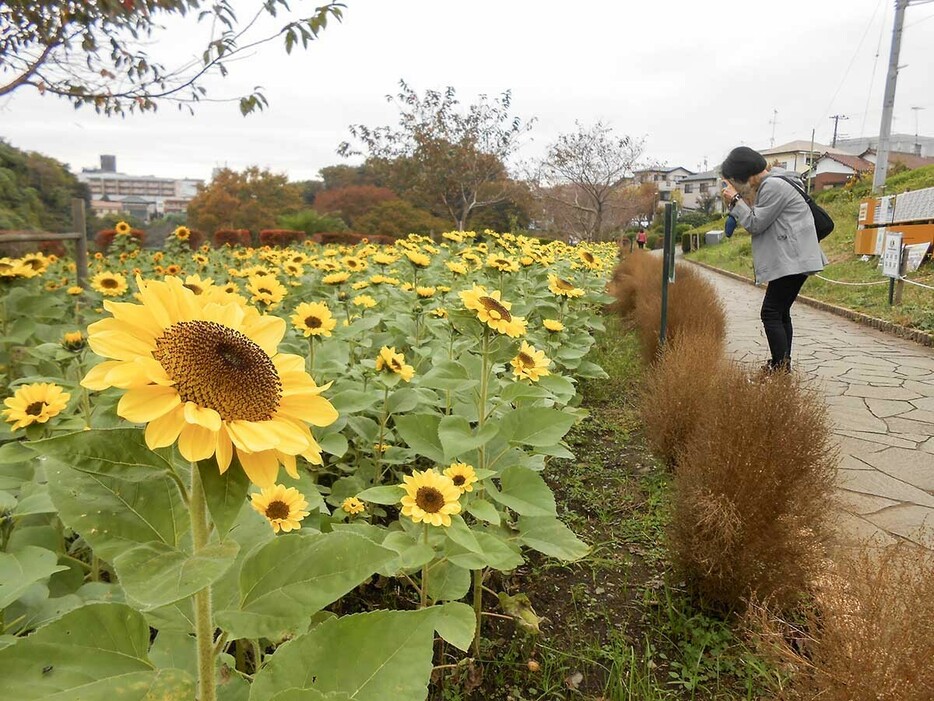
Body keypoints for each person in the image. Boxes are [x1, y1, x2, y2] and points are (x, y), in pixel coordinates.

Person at [720, 146, 828, 373]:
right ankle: (782, 363)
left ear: (745, 175)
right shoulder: (777, 182)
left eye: (733, 181)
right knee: (779, 311)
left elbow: (754, 224)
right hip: (794, 258)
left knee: (770, 312)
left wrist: (735, 201)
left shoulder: (773, 186)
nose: (734, 186)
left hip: (793, 260)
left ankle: (780, 367)